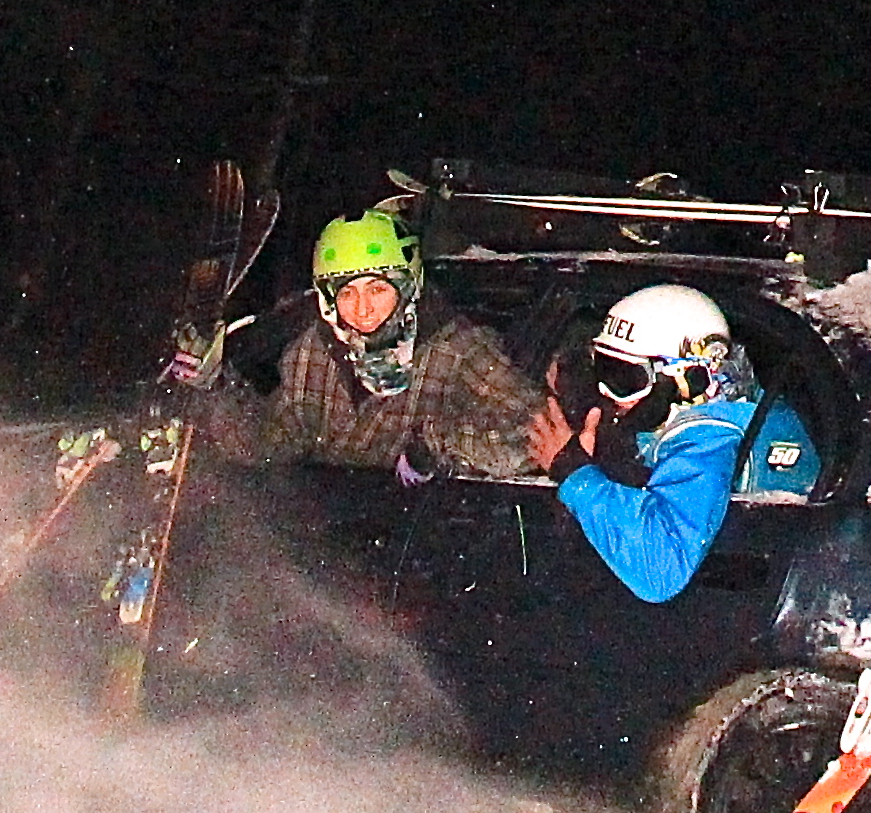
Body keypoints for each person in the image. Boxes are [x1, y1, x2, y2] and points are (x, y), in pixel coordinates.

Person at [173, 208, 537, 481]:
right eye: (347, 292)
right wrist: (216, 386)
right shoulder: (310, 353)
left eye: (378, 289)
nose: (362, 310)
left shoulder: (459, 351)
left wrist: (433, 445)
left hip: (427, 539)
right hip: (335, 543)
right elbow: (265, 444)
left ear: (408, 287)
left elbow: (531, 437)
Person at [524, 282, 809, 602]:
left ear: (689, 379)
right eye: (602, 370)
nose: (606, 392)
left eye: (624, 378)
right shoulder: (726, 408)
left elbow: (662, 570)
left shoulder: (709, 446)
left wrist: (575, 473)